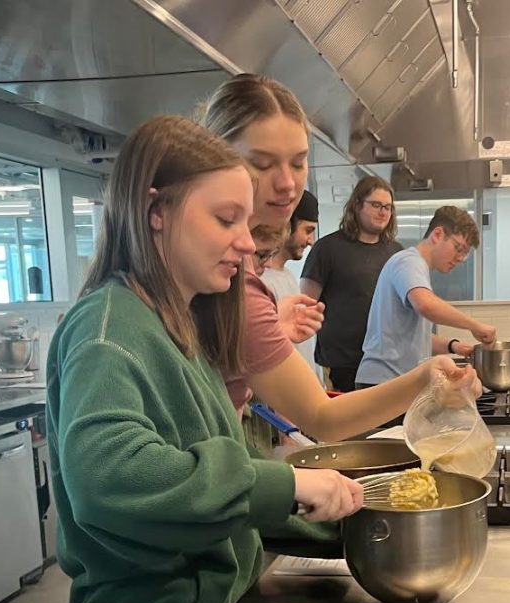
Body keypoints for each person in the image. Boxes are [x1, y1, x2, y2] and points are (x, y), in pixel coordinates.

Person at [46, 115, 361, 603]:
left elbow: (224, 508)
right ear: (156, 211)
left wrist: (353, 522)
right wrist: (290, 485)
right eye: (225, 218)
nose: (246, 241)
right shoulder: (107, 330)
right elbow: (109, 478)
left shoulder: (179, 324)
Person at [202, 74, 477, 440]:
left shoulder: (241, 285)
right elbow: (321, 416)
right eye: (263, 164)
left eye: (299, 163)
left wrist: (275, 327)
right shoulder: (224, 281)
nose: (286, 183)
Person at [355, 206, 496, 388]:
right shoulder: (408, 262)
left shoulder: (417, 268)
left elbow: (413, 339)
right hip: (383, 382)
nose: (460, 258)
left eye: (465, 253)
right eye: (458, 248)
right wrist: (474, 325)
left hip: (394, 383)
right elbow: (426, 305)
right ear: (437, 235)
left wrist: (453, 346)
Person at [300, 176, 403, 392]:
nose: (383, 212)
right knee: (350, 425)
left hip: (386, 363)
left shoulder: (396, 252)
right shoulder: (327, 249)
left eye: (388, 207)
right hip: (341, 364)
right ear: (356, 205)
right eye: (376, 205)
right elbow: (306, 305)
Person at [261, 189, 318, 303]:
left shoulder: (289, 277)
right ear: (288, 225)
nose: (311, 241)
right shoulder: (261, 279)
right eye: (308, 231)